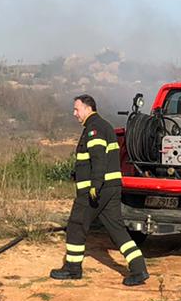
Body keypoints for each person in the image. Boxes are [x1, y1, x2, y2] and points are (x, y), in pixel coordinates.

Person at [50, 94, 148, 286]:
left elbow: (98, 159)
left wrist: (94, 186)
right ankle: (139, 269)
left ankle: (72, 268)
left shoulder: (94, 129)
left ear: (88, 109)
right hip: (110, 189)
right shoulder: (103, 126)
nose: (74, 113)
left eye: (77, 109)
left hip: (97, 191)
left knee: (77, 225)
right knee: (117, 229)